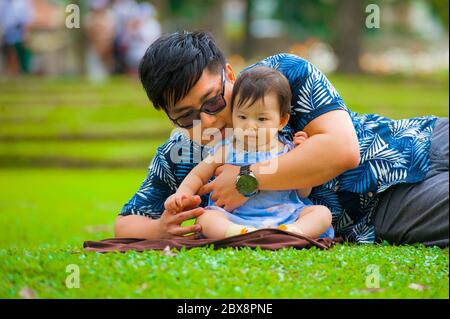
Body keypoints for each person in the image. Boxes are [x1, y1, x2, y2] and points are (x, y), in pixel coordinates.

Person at [114, 31, 448, 247]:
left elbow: (342, 150)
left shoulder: (282, 74)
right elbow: (124, 223)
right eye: (186, 116)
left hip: (421, 138)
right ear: (168, 116)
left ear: (229, 74)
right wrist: (159, 230)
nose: (207, 121)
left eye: (212, 101)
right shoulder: (181, 154)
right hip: (384, 206)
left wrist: (249, 179)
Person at [164, 66, 334, 240]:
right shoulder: (226, 149)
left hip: (286, 216)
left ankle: (292, 232)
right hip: (237, 220)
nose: (250, 126)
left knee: (321, 213)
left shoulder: (287, 150)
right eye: (242, 117)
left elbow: (303, 192)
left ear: (282, 121)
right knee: (206, 218)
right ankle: (239, 235)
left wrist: (301, 155)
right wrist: (181, 193)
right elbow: (198, 175)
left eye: (261, 119)